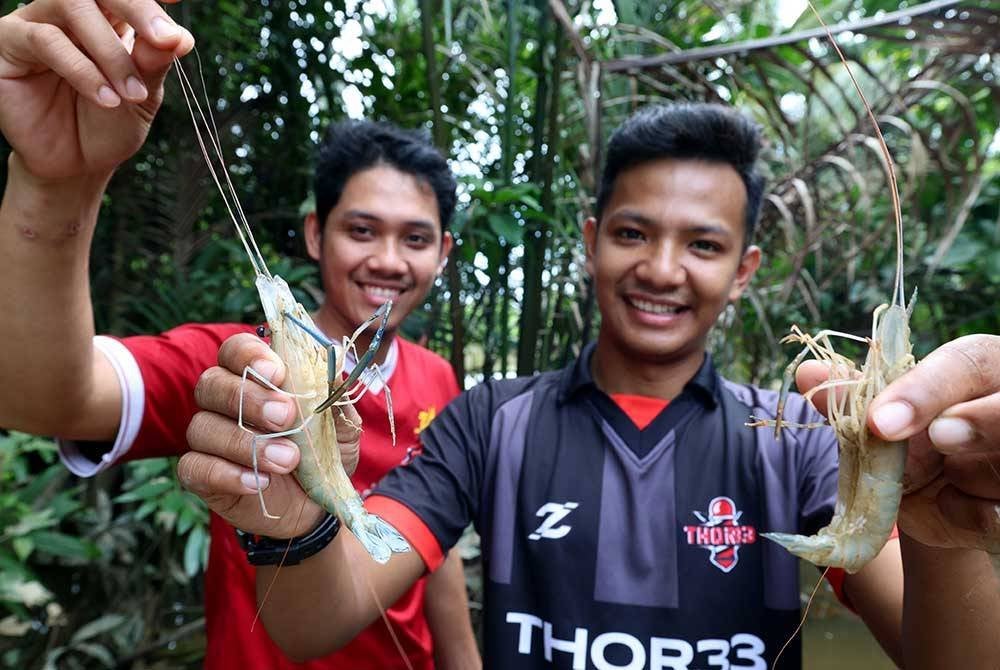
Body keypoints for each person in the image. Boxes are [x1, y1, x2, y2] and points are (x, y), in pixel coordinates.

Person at [185, 101, 1000, 670]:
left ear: (746, 269)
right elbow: (311, 622)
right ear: (591, 241)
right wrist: (291, 519)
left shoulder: (800, 438)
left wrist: (939, 530)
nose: (662, 269)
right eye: (633, 233)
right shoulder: (487, 421)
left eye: (705, 245)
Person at [0, 2, 480, 669]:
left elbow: (438, 540)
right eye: (362, 230)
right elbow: (38, 397)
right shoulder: (232, 365)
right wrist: (53, 185)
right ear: (316, 234)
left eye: (416, 239)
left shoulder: (438, 378)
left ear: (444, 252)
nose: (390, 261)